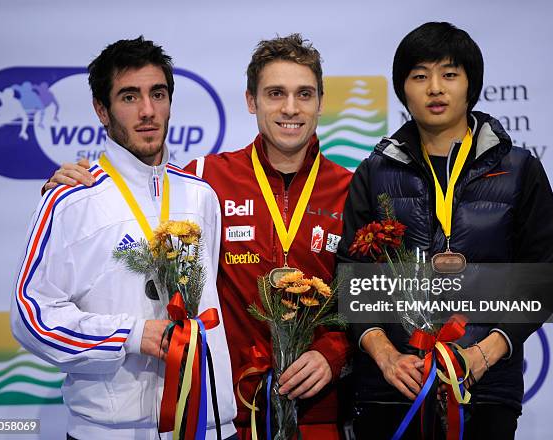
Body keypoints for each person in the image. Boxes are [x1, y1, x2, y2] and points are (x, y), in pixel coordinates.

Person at [44, 34, 353, 439]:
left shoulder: (352, 188)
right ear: (250, 100)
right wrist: (72, 187)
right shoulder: (202, 180)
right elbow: (138, 194)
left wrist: (333, 354)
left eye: (304, 94)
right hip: (224, 414)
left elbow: (366, 300)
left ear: (320, 101)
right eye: (275, 93)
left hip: (320, 411)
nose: (290, 108)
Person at [337, 22, 553, 439]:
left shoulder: (519, 169)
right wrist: (386, 357)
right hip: (392, 389)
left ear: (470, 85)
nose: (435, 88)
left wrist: (482, 354)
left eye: (449, 74)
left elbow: (542, 279)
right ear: (403, 89)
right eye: (420, 75)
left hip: (485, 387)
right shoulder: (374, 171)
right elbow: (352, 277)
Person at [11, 36, 237, 440]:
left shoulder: (200, 195)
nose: (148, 111)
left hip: (209, 423)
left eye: (158, 94)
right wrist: (131, 335)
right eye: (129, 97)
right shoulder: (71, 201)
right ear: (102, 109)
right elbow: (31, 317)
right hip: (112, 430)